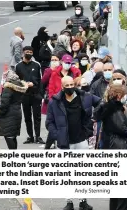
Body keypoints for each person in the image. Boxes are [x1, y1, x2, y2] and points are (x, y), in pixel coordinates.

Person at [45, 76, 100, 210]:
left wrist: (91, 124)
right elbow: (49, 123)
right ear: (62, 87)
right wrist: (57, 135)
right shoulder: (55, 102)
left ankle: (83, 201)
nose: (70, 87)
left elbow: (100, 103)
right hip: (65, 144)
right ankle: (69, 202)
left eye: (72, 84)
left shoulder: (84, 97)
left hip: (81, 141)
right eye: (67, 85)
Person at [14, 46, 45, 144]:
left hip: (36, 95)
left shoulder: (37, 65)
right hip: (24, 95)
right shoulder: (18, 66)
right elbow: (16, 81)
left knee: (37, 116)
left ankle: (38, 136)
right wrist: (23, 84)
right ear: (23, 53)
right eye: (27, 52)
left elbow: (41, 80)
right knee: (27, 117)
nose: (29, 54)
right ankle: (30, 136)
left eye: (31, 52)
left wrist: (40, 93)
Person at [0, 70, 29, 150]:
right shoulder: (19, 87)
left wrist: (0, 113)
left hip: (9, 115)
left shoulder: (8, 88)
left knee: (8, 137)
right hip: (17, 112)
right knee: (13, 136)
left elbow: (5, 103)